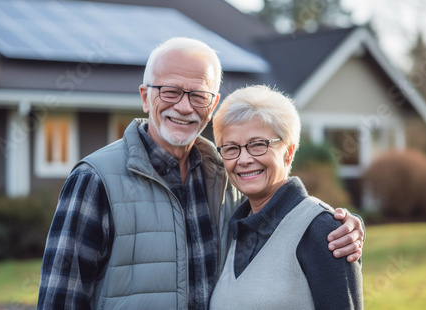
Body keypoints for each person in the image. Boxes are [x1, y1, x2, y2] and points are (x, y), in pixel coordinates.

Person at [37, 38, 364, 310]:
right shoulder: (96, 180)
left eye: (198, 95)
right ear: (145, 97)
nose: (183, 106)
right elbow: (60, 299)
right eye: (170, 91)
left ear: (213, 104)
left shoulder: (225, 176)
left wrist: (335, 224)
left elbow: (282, 219)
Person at [209, 85, 363, 309]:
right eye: (232, 148)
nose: (243, 159)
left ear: (289, 152)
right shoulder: (232, 231)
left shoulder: (324, 232)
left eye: (257, 145)